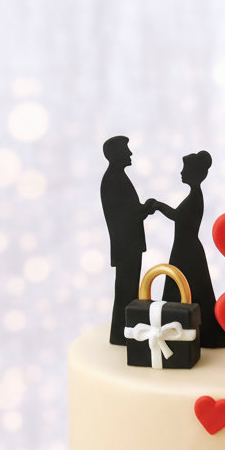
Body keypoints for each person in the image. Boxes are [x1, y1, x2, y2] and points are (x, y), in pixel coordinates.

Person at [147, 151, 225, 348]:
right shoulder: (193, 196)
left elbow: (179, 217)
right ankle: (172, 328)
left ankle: (194, 329)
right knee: (180, 288)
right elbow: (178, 216)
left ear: (194, 174)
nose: (180, 173)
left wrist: (158, 206)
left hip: (188, 252)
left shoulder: (195, 197)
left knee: (190, 289)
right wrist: (159, 206)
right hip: (185, 249)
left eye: (184, 169)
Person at [101, 136, 155, 345]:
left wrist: (143, 209)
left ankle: (123, 333)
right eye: (127, 150)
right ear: (116, 154)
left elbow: (127, 212)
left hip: (128, 245)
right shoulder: (114, 180)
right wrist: (145, 209)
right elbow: (124, 216)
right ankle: (122, 334)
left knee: (128, 289)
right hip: (126, 246)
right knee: (126, 290)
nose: (130, 154)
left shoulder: (117, 178)